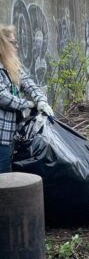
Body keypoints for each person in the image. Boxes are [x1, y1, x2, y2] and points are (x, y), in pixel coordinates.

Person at [0, 24, 54, 173]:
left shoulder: (11, 64)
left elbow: (29, 83)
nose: (16, 46)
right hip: (1, 136)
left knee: (9, 175)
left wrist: (41, 100)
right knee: (3, 177)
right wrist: (28, 104)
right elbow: (2, 97)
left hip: (11, 134)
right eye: (12, 42)